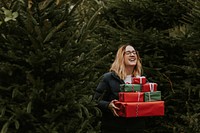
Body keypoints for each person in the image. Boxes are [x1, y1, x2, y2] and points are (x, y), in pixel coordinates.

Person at [94, 44, 146, 133]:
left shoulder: (142, 80)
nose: (133, 55)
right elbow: (96, 100)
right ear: (121, 57)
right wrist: (108, 105)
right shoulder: (109, 78)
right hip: (113, 127)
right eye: (128, 53)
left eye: (134, 52)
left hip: (136, 128)